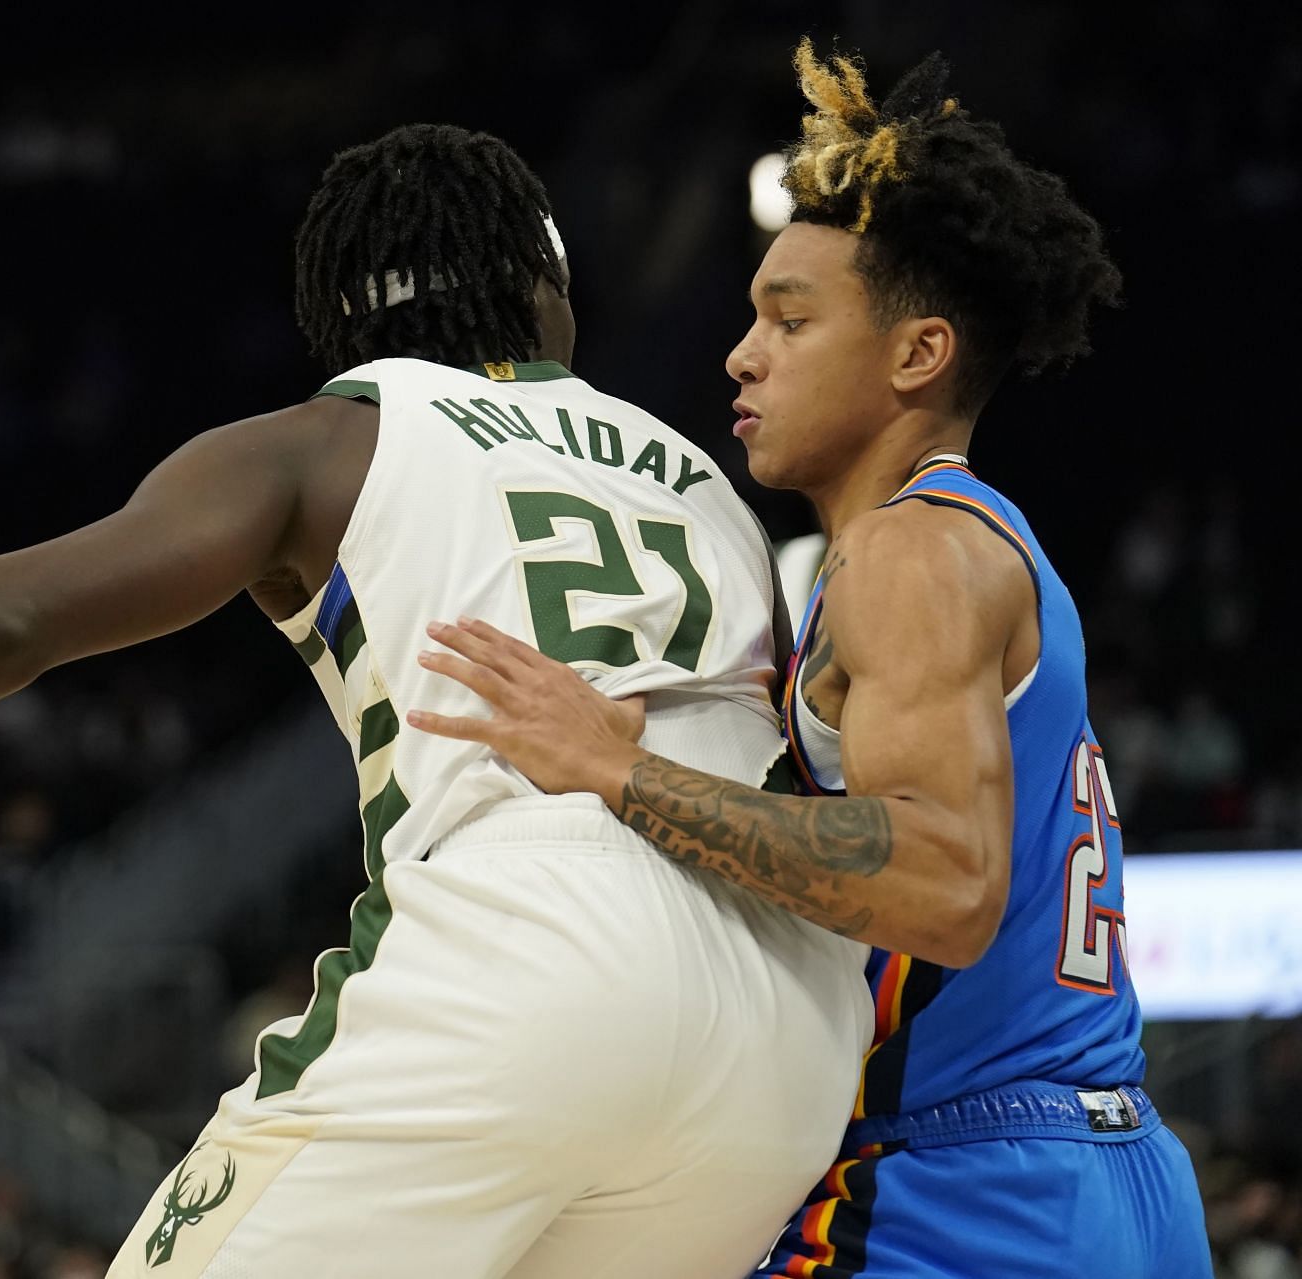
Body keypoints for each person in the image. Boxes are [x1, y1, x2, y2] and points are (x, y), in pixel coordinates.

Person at [0, 123, 870, 1277]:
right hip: (788, 1040)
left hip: (542, 948)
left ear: (341, 333)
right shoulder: (705, 478)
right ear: (548, 292)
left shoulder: (334, 436)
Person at [408, 41, 1210, 1277]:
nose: (742, 353)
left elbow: (944, 884)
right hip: (1105, 1168)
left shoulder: (910, 555)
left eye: (789, 318)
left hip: (961, 1191)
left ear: (916, 355)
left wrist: (619, 771)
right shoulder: (979, 547)